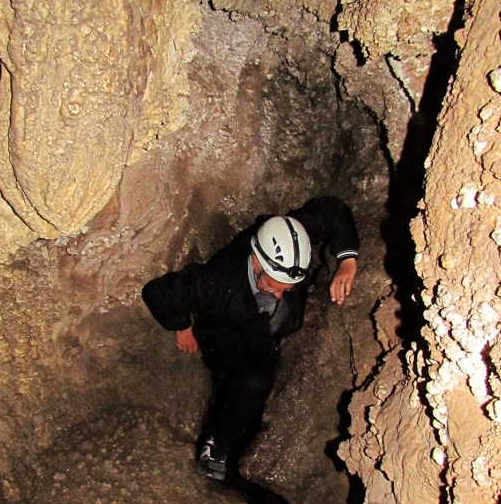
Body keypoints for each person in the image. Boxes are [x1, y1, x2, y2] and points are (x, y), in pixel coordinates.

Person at [142, 197, 359, 480]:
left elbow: (333, 210)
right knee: (255, 381)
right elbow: (158, 292)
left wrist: (347, 258)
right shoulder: (216, 283)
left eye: (288, 288)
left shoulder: (290, 237)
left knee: (260, 371)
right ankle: (217, 444)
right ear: (256, 261)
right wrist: (183, 327)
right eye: (272, 285)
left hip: (266, 328)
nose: (280, 294)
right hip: (225, 332)